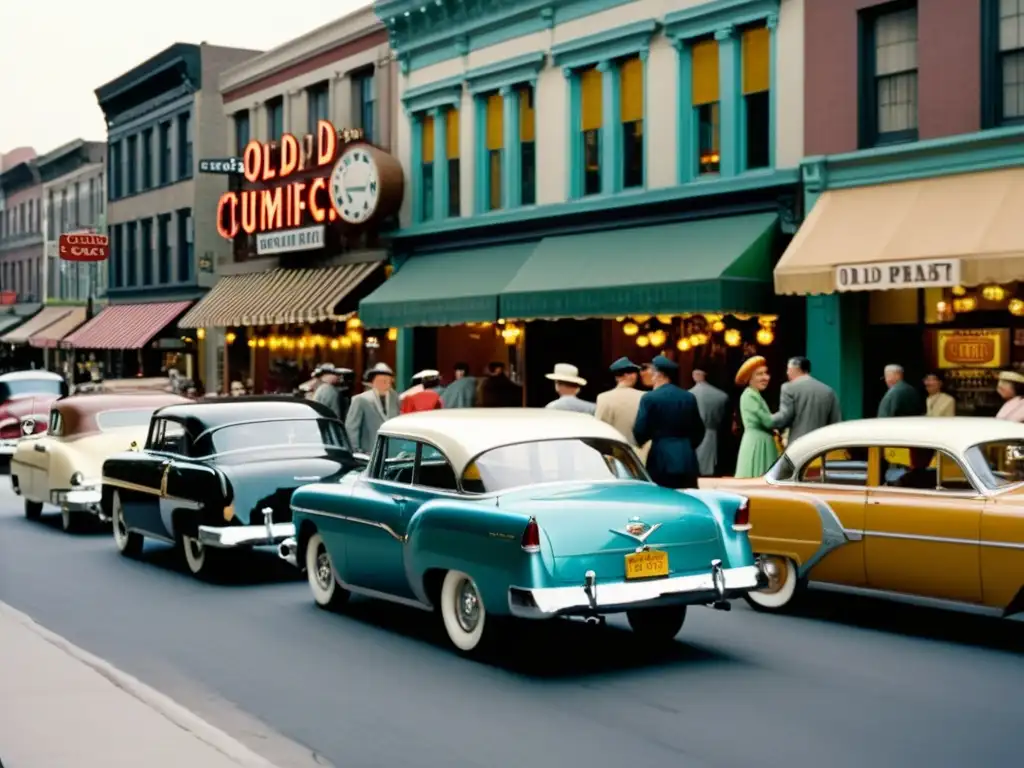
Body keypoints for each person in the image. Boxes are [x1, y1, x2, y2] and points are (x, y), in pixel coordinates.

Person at [633, 355, 705, 489]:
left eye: (653, 373)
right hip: (686, 456)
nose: (651, 376)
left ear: (659, 375)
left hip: (661, 456)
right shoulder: (688, 397)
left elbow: (640, 430)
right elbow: (699, 429)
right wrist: (687, 445)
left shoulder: (649, 398)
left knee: (662, 498)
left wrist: (643, 442)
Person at [771, 356, 841, 445]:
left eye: (788, 369)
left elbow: (784, 418)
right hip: (821, 447)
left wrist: (765, 419)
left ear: (795, 369)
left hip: (798, 446)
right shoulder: (828, 391)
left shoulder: (788, 387)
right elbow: (835, 423)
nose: (787, 373)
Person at [734, 355, 779, 479]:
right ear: (750, 378)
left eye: (766, 373)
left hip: (763, 441)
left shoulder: (756, 395)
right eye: (759, 374)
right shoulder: (749, 395)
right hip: (757, 444)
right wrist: (787, 416)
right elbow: (768, 421)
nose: (765, 377)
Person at [595, 357, 646, 454]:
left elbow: (600, 428)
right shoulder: (645, 396)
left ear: (616, 377)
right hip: (642, 453)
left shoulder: (603, 398)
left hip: (615, 451)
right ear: (632, 376)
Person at [345, 363, 399, 453]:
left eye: (387, 381)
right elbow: (352, 427)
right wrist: (355, 450)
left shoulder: (395, 398)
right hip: (369, 452)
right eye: (381, 381)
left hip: (391, 452)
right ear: (373, 382)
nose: (385, 384)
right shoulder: (361, 399)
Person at [689, 369, 729, 477]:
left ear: (694, 375)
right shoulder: (721, 396)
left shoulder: (689, 394)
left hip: (696, 435)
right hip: (712, 434)